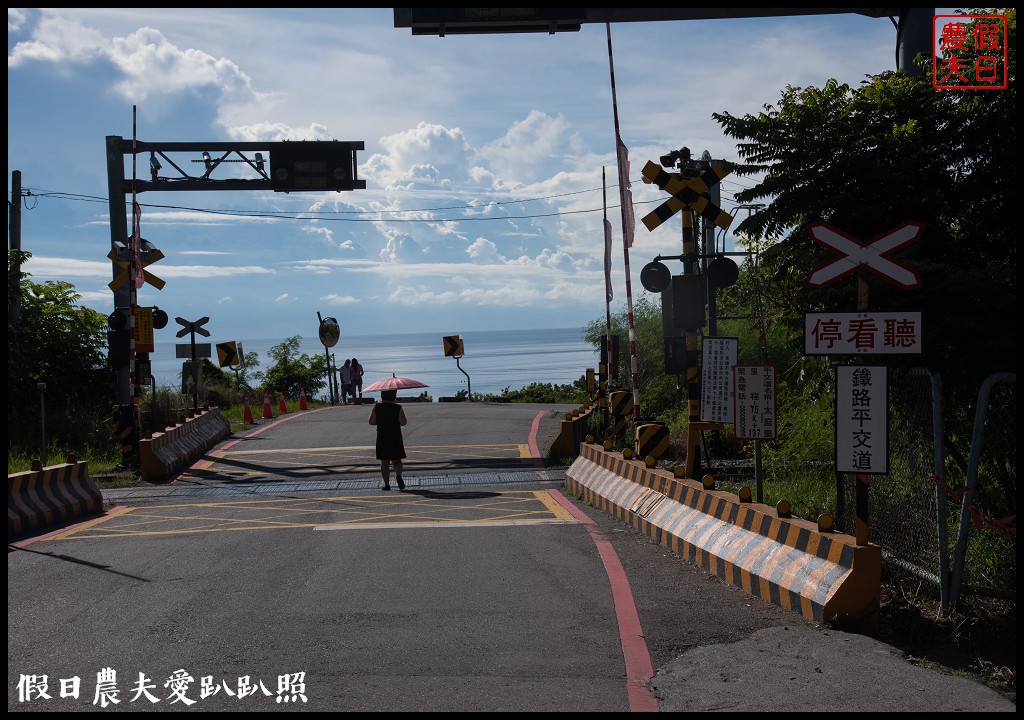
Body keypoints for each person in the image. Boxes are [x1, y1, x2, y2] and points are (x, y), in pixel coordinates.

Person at [368, 388, 407, 491]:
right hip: (395, 436)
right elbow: (403, 422)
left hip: (382, 437)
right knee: (397, 460)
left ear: (382, 397)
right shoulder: (398, 408)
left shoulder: (377, 407)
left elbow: (371, 422)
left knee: (384, 462)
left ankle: (386, 485)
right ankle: (398, 475)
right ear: (394, 397)